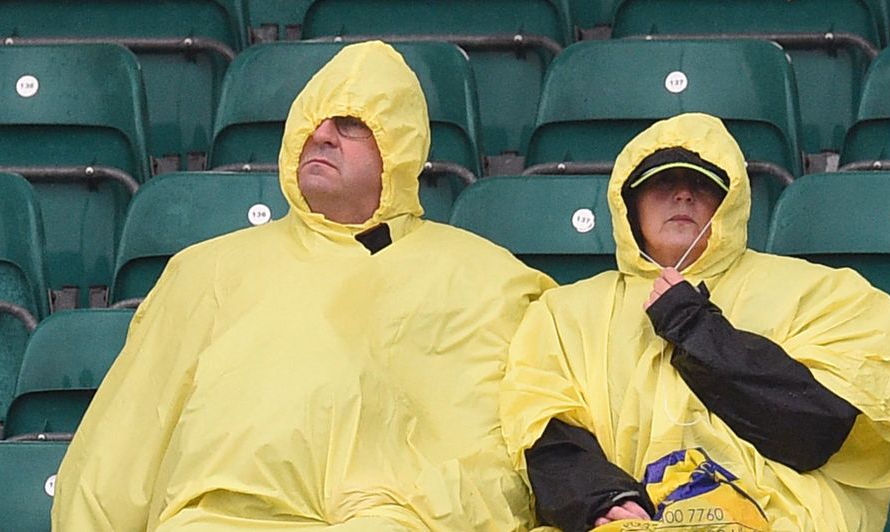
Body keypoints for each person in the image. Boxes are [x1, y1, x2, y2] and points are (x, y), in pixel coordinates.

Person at [53, 41, 554, 531]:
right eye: (312, 122)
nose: (322, 136)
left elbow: (514, 454)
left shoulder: (488, 281)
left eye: (352, 125)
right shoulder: (208, 271)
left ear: (399, 149)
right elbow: (121, 447)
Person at [501, 113, 890, 531]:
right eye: (663, 183)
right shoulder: (564, 313)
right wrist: (602, 498)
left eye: (704, 184)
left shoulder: (824, 295)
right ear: (631, 202)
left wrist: (694, 328)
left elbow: (816, 431)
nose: (683, 195)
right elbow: (544, 431)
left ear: (730, 202)